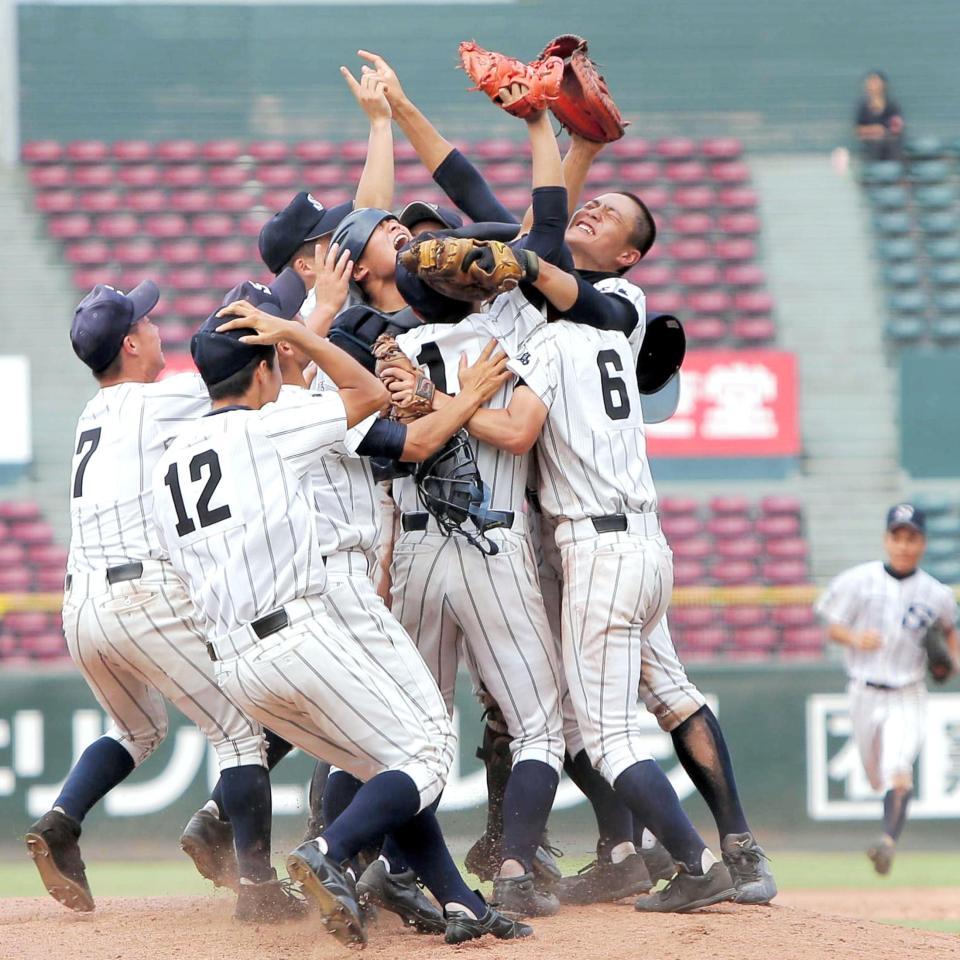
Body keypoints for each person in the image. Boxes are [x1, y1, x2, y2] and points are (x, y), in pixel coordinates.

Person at [151, 299, 528, 946]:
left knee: (389, 765)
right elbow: (367, 394)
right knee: (426, 757)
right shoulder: (272, 422)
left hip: (234, 659)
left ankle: (461, 903)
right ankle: (330, 852)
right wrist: (301, 331)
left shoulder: (168, 460)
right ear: (266, 368)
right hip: (300, 625)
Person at [24, 281, 299, 923]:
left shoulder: (93, 414)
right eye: (145, 324)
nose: (155, 331)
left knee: (137, 730)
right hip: (138, 596)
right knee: (241, 731)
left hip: (81, 604)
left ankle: (63, 822)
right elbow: (228, 370)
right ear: (129, 343)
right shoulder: (150, 403)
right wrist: (288, 304)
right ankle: (257, 889)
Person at [815, 504, 958, 875]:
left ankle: (887, 841)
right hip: (863, 691)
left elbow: (951, 637)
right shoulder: (859, 581)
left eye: (912, 537)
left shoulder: (936, 593)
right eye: (898, 536)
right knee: (874, 773)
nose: (904, 545)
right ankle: (887, 827)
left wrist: (950, 662)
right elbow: (832, 627)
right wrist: (854, 637)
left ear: (923, 543)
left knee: (898, 769)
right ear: (886, 539)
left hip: (908, 692)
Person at [855, 71, 904, 162]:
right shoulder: (863, 107)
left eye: (876, 82)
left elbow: (897, 128)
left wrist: (883, 131)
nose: (873, 86)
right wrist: (875, 129)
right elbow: (858, 130)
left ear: (883, 85)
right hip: (871, 149)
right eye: (870, 83)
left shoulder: (892, 106)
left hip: (891, 148)